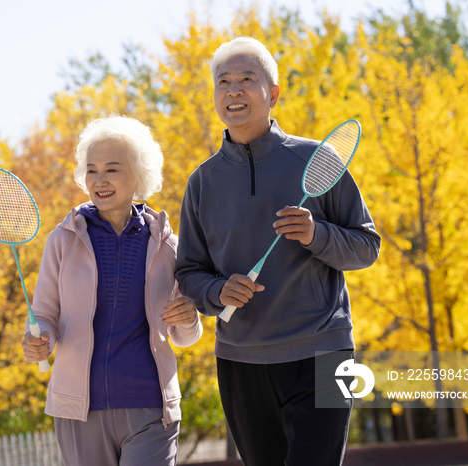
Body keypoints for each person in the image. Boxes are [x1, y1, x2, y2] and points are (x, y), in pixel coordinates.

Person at [174, 37, 381, 466]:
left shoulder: (318, 160)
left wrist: (315, 234)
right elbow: (189, 271)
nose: (233, 90)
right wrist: (217, 292)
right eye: (223, 82)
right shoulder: (202, 183)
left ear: (273, 94)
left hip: (325, 351)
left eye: (247, 80)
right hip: (240, 359)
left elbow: (366, 247)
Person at [22, 115, 203, 466]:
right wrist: (38, 339)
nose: (99, 180)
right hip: (80, 411)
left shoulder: (169, 246)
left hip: (151, 407)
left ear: (139, 174)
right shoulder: (63, 240)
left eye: (112, 170)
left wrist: (189, 316)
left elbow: (184, 336)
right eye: (92, 171)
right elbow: (44, 315)